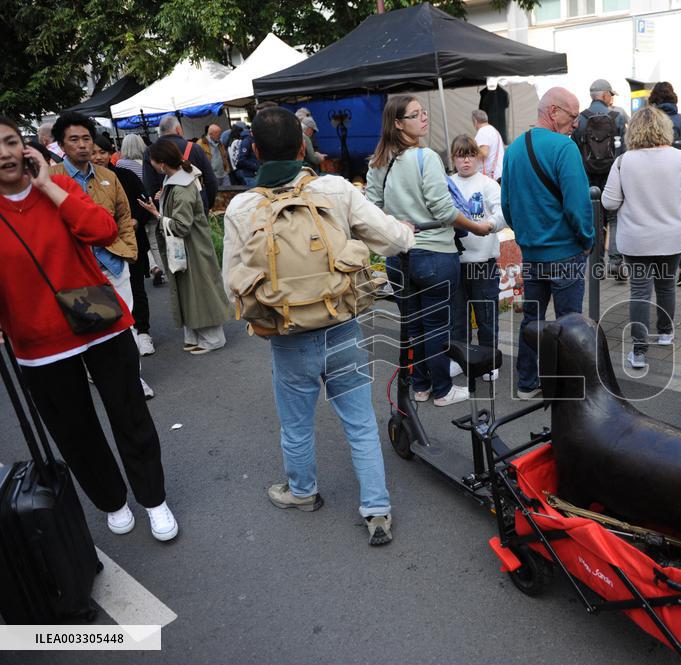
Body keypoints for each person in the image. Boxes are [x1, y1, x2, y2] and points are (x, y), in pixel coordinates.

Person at [223, 107, 417, 544]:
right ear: (302, 147)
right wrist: (407, 232)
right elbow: (389, 237)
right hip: (341, 326)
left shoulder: (241, 207)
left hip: (287, 338)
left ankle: (303, 492)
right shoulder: (333, 189)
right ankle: (377, 509)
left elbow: (229, 286)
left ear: (254, 150)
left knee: (295, 424)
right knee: (361, 422)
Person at [0, 116, 178, 542]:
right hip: (39, 343)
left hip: (98, 320)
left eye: (8, 142)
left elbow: (101, 229)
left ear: (25, 149)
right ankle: (112, 501)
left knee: (130, 415)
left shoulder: (58, 189)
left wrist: (47, 186)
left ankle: (154, 499)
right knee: (75, 432)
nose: (3, 154)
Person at [367, 97, 494, 407]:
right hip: (435, 254)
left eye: (424, 113)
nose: (424, 118)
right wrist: (478, 228)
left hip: (398, 256)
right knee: (437, 326)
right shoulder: (426, 157)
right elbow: (443, 209)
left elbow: (370, 208)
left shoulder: (378, 160)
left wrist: (396, 221)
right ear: (398, 123)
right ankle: (441, 390)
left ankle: (421, 386)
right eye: (415, 115)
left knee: (414, 325)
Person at [48, 114, 152, 400]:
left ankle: (134, 380)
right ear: (61, 144)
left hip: (113, 262)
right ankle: (102, 378)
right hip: (77, 269)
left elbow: (124, 215)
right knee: (90, 329)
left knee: (124, 325)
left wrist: (128, 252)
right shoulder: (52, 179)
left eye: (86, 139)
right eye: (74, 140)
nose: (82, 145)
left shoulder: (109, 176)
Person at [501, 87, 594, 399]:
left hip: (532, 253)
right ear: (553, 112)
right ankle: (568, 392)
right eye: (572, 115)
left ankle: (527, 383)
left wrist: (528, 236)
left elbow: (507, 207)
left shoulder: (513, 149)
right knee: (570, 324)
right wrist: (587, 240)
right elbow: (577, 206)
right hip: (566, 252)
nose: (577, 123)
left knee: (532, 319)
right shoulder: (564, 149)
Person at [601, 106, 681, 370]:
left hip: (636, 239)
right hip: (672, 238)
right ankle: (666, 333)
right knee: (666, 285)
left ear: (634, 130)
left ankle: (639, 351)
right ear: (664, 129)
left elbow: (609, 202)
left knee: (640, 292)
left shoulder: (623, 161)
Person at [138, 139, 231, 354]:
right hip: (191, 246)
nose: (150, 165)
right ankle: (199, 336)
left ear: (161, 163)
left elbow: (180, 226)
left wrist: (156, 214)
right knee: (193, 291)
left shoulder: (180, 186)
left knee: (200, 291)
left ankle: (212, 339)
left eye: (151, 161)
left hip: (192, 247)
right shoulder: (180, 180)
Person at [92, 135, 157, 361]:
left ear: (111, 153)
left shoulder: (124, 175)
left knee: (136, 286)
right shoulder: (84, 182)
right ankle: (116, 340)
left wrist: (137, 221)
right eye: (94, 152)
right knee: (104, 295)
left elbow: (144, 201)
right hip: (100, 249)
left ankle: (143, 332)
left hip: (130, 242)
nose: (99, 157)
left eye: (103, 152)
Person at [450, 134, 507, 378]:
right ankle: (459, 359)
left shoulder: (488, 184)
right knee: (457, 316)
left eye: (471, 155)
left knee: (486, 315)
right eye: (461, 156)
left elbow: (502, 211)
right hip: (453, 262)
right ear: (453, 159)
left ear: (478, 157)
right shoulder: (446, 183)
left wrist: (490, 225)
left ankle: (489, 361)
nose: (466, 161)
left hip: (483, 263)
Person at [574, 79, 627, 278]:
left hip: (588, 175)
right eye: (610, 94)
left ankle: (596, 265)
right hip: (612, 174)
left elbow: (576, 149)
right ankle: (615, 261)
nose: (611, 98)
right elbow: (624, 150)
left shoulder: (581, 119)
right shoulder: (617, 117)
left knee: (595, 217)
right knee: (614, 217)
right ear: (604, 95)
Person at [649, 81, 681, 286]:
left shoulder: (649, 121)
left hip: (651, 180)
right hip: (678, 179)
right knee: (680, 220)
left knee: (653, 219)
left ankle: (655, 265)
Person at [142, 115, 218, 214]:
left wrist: (161, 208)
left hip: (168, 209)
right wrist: (206, 205)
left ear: (160, 132)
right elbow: (211, 181)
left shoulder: (150, 152)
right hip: (197, 205)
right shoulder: (194, 148)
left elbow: (149, 187)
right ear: (178, 130)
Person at [119, 134, 166, 287]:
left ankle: (154, 267)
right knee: (154, 241)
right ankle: (162, 270)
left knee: (143, 242)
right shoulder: (146, 162)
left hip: (135, 210)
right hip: (151, 204)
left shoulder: (121, 165)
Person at [472, 109, 504, 182]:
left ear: (475, 121)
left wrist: (471, 150)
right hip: (497, 174)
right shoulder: (493, 130)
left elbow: (484, 153)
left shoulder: (483, 131)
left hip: (490, 177)